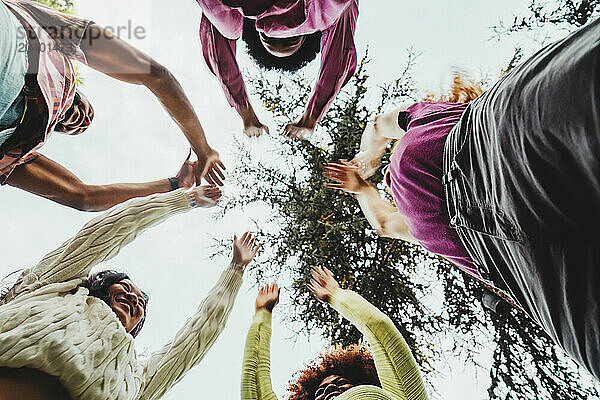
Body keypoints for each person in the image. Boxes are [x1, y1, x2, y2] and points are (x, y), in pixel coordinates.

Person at [326, 18, 600, 381]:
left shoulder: (433, 116)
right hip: (504, 258)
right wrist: (363, 188)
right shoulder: (416, 223)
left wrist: (370, 156)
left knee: (584, 91)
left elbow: (377, 126)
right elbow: (383, 224)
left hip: (487, 148)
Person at [0, 185, 262, 400]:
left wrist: (235, 270)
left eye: (140, 306)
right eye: (125, 287)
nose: (134, 298)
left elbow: (195, 339)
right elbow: (110, 230)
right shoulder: (54, 288)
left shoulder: (134, 377)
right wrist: (184, 199)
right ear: (100, 285)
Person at [0, 0, 226, 212]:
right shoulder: (42, 29)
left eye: (73, 125)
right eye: (80, 106)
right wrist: (202, 147)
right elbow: (157, 75)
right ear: (75, 90)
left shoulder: (18, 152)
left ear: (56, 128)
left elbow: (84, 197)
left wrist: (175, 184)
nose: (81, 119)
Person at [241, 267, 428, 400]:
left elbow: (381, 330)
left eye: (340, 382)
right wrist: (262, 315)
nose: (330, 388)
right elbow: (255, 389)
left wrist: (337, 295)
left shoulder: (399, 396)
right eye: (319, 393)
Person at [197, 0, 358, 139]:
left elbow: (219, 52)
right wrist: (311, 117)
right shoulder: (323, 14)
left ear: (256, 30)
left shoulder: (235, 16)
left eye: (268, 38)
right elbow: (339, 57)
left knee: (226, 27)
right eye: (292, 39)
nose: (279, 32)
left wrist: (245, 112)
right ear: (306, 35)